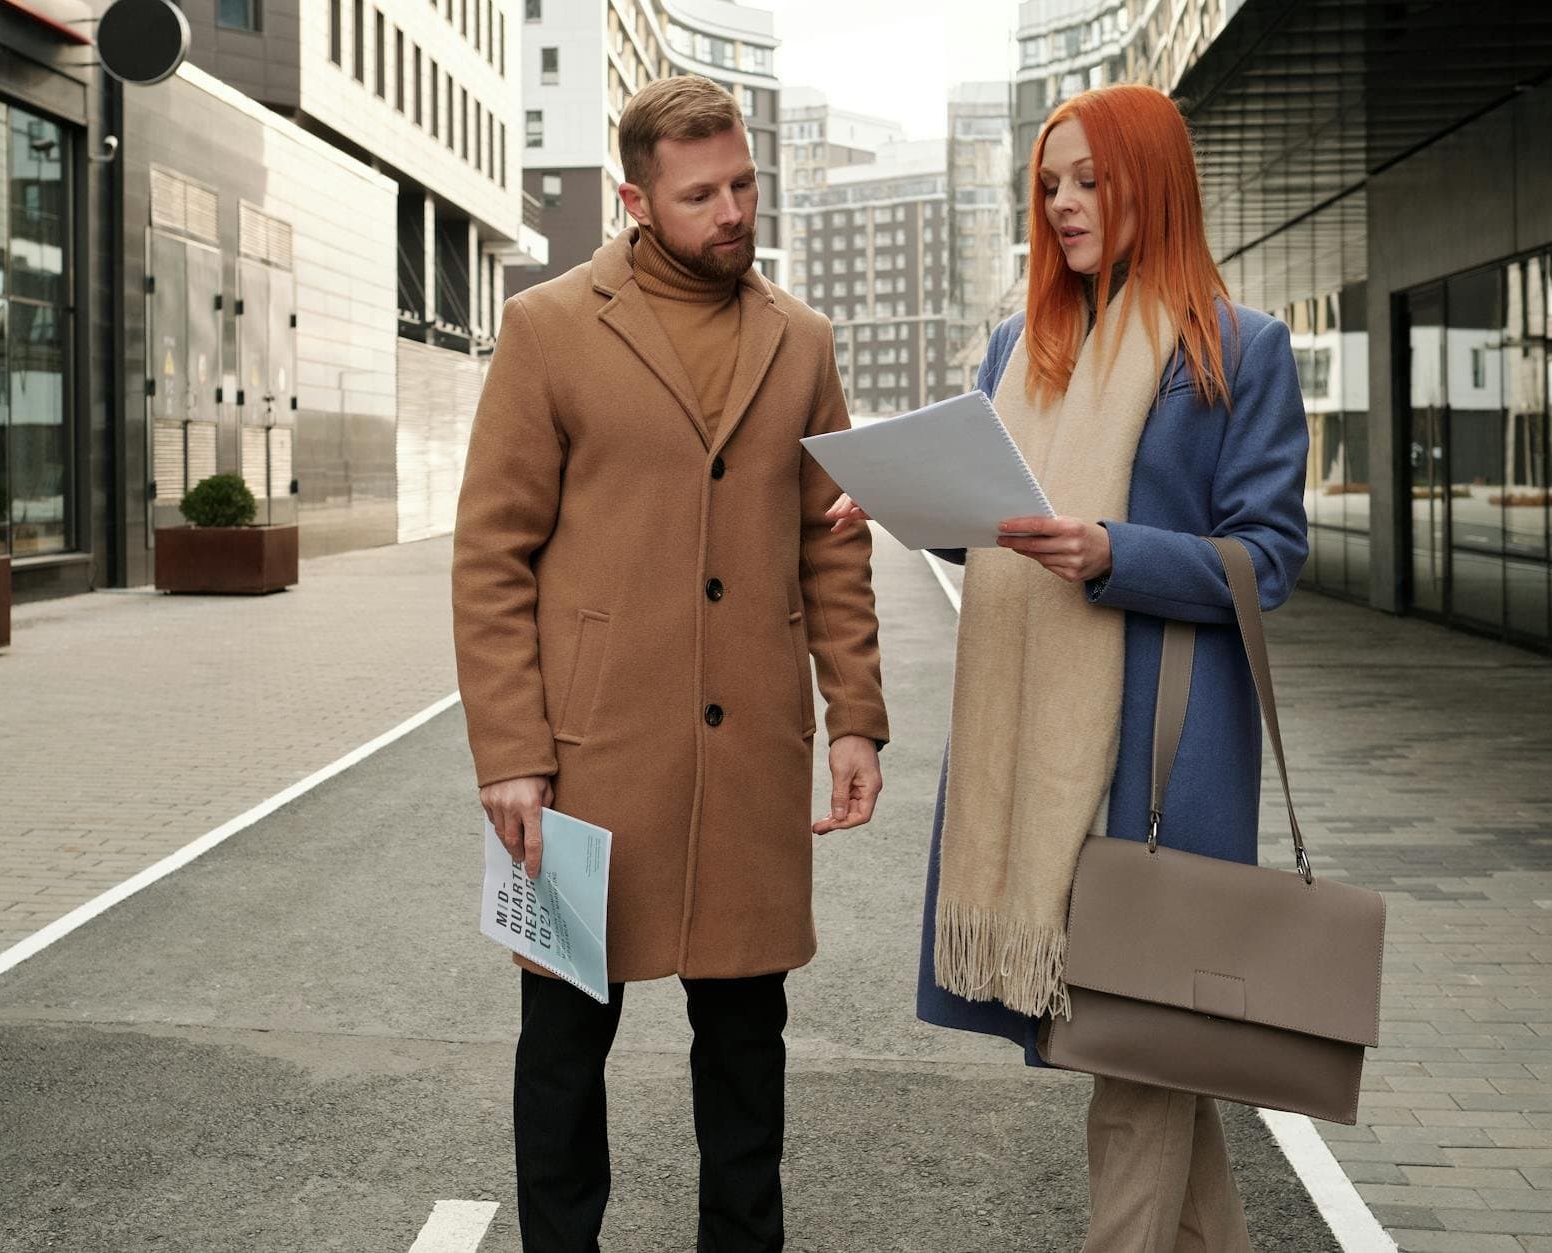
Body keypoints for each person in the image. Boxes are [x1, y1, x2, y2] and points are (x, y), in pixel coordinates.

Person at [832, 83, 1308, 1251]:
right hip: (1033, 744)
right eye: (1048, 185)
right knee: (1154, 1044)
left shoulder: (1236, 347)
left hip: (1157, 752)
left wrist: (1112, 552)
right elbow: (999, 524)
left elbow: (1268, 557)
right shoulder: (1019, 344)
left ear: (1153, 183)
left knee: (1139, 1055)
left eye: (1090, 181)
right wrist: (907, 499)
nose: (1062, 204)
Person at [452, 74, 890, 1253]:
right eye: (700, 195)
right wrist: (509, 752)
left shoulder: (801, 339)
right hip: (588, 760)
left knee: (747, 1049)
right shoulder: (548, 328)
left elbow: (831, 538)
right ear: (636, 200)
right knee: (561, 1048)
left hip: (748, 756)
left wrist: (854, 714)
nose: (732, 211)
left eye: (742, 183)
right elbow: (492, 554)